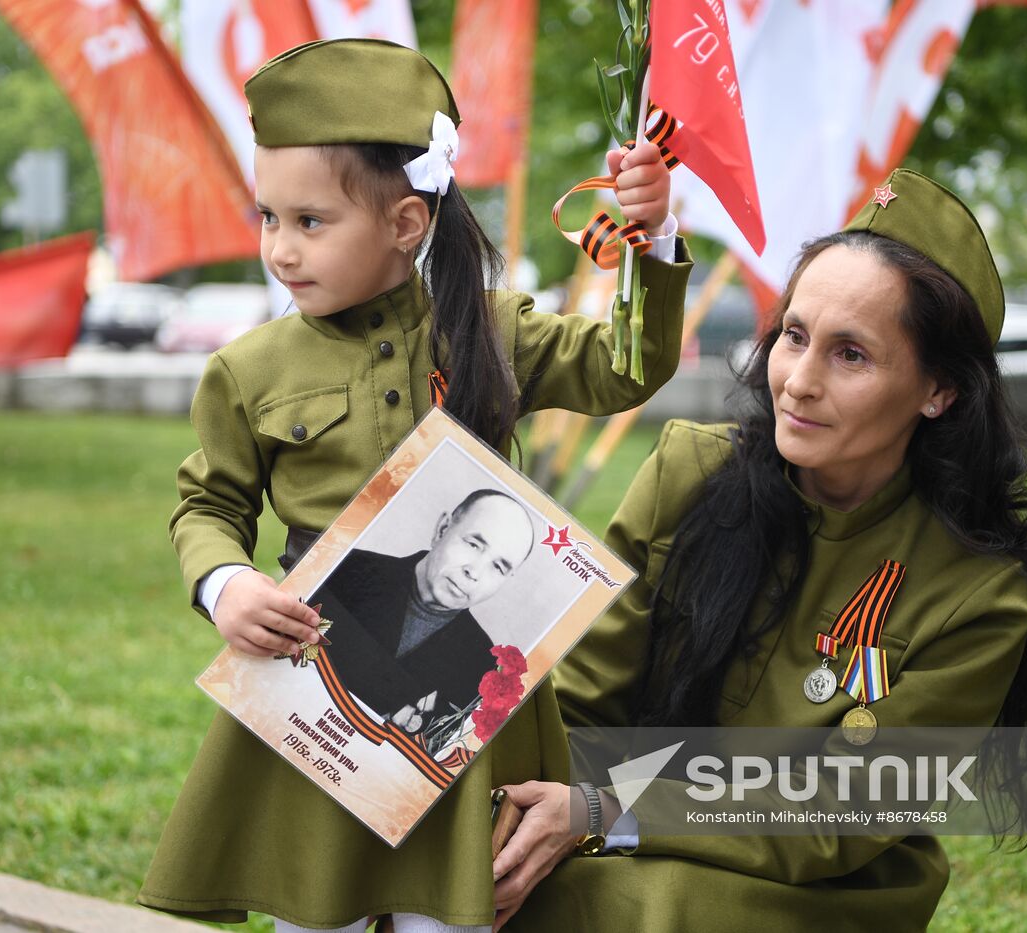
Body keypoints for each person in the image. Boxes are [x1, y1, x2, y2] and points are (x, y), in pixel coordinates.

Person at [137, 38, 692, 933]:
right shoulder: (248, 369)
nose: (281, 248)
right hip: (315, 683)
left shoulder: (492, 330)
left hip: (466, 698)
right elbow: (208, 504)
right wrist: (225, 583)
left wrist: (654, 238)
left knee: (459, 911)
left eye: (310, 221)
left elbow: (624, 370)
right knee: (318, 909)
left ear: (404, 223)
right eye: (268, 217)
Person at [489, 170, 1027, 932]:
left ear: (939, 390)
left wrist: (605, 806)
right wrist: (529, 817)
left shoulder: (983, 594)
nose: (797, 382)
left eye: (851, 355)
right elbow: (584, 698)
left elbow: (838, 814)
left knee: (625, 909)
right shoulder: (690, 471)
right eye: (794, 336)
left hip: (812, 890)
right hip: (619, 831)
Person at [314, 489, 536, 732]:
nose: (475, 572)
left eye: (498, 567)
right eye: (473, 544)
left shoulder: (482, 670)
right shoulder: (343, 569)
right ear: (442, 529)